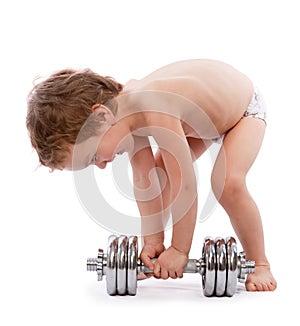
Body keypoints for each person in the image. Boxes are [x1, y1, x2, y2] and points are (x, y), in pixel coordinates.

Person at [26, 59, 277, 291]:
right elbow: (145, 180)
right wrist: (153, 242)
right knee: (160, 171)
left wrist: (180, 249)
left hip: (243, 112)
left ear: (102, 116)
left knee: (226, 183)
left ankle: (261, 263)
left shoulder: (155, 106)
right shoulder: (125, 117)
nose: (101, 166)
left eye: (93, 157)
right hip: (206, 122)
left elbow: (185, 185)